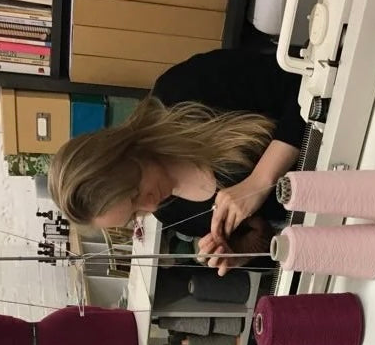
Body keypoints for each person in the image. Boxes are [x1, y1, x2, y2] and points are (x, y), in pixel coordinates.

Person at [48, 49, 305, 275]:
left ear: (123, 154)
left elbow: (302, 83)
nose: (151, 205)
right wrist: (244, 252)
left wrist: (260, 179)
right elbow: (284, 246)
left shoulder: (182, 92)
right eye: (135, 214)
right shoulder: (171, 211)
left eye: (135, 193)